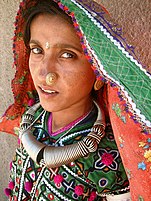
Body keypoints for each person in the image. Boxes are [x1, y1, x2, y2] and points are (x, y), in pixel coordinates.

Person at [0, 0, 151, 200]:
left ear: (99, 73)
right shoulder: (32, 119)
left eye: (67, 55)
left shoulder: (108, 156)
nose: (45, 74)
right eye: (37, 50)